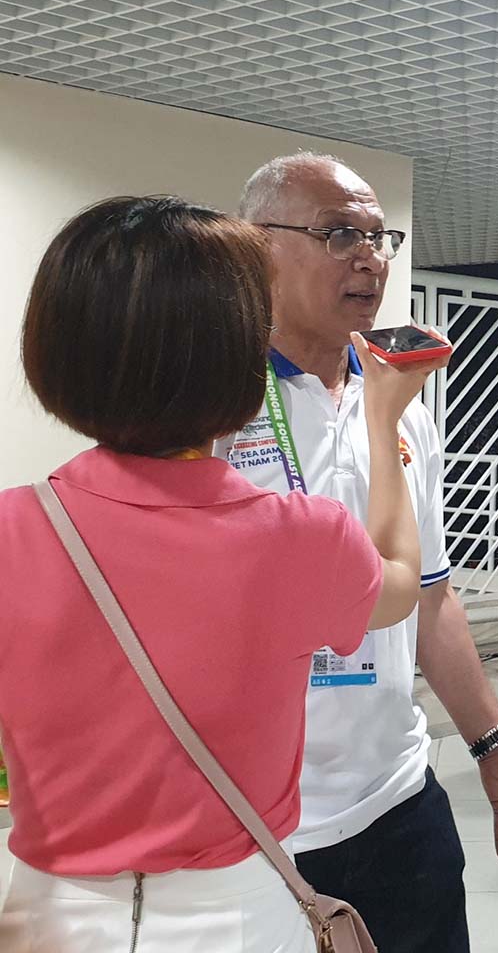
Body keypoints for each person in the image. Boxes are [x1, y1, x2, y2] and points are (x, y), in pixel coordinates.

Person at [0, 196, 430, 951]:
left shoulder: (11, 529)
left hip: (48, 914)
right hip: (237, 913)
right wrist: (384, 421)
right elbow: (400, 577)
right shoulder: (302, 538)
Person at [226, 153, 498, 953]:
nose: (370, 258)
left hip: (399, 799)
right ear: (257, 247)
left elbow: (431, 594)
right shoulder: (212, 405)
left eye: (379, 236)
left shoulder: (402, 404)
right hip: (260, 823)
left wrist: (493, 742)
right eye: (338, 234)